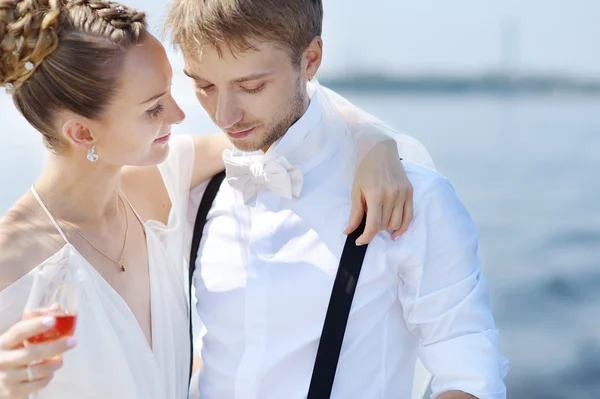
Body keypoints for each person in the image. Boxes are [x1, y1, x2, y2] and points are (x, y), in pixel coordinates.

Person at [0, 0, 420, 398]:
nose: (179, 115)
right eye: (152, 108)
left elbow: (294, 123)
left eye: (173, 91)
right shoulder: (10, 259)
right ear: (83, 133)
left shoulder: (158, 183)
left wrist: (374, 142)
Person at [164, 0, 509, 398]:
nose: (224, 116)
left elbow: (468, 378)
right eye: (203, 85)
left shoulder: (414, 199)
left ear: (310, 59)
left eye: (250, 86)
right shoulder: (199, 191)